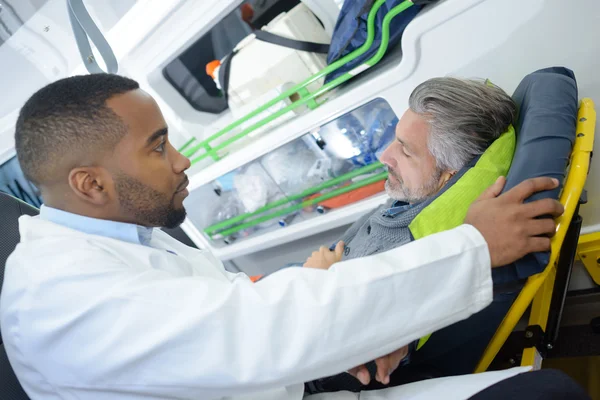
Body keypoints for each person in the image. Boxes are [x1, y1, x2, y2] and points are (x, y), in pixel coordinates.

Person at [0, 73, 580, 400]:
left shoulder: (123, 236)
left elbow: (227, 303)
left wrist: (345, 336)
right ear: (90, 184)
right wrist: (475, 246)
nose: (181, 162)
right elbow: (256, 328)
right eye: (157, 147)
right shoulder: (59, 297)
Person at [301, 78, 523, 392]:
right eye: (395, 139)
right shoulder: (407, 200)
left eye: (404, 151)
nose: (384, 156)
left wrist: (316, 285)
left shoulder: (412, 251)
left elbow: (334, 365)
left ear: (450, 174)